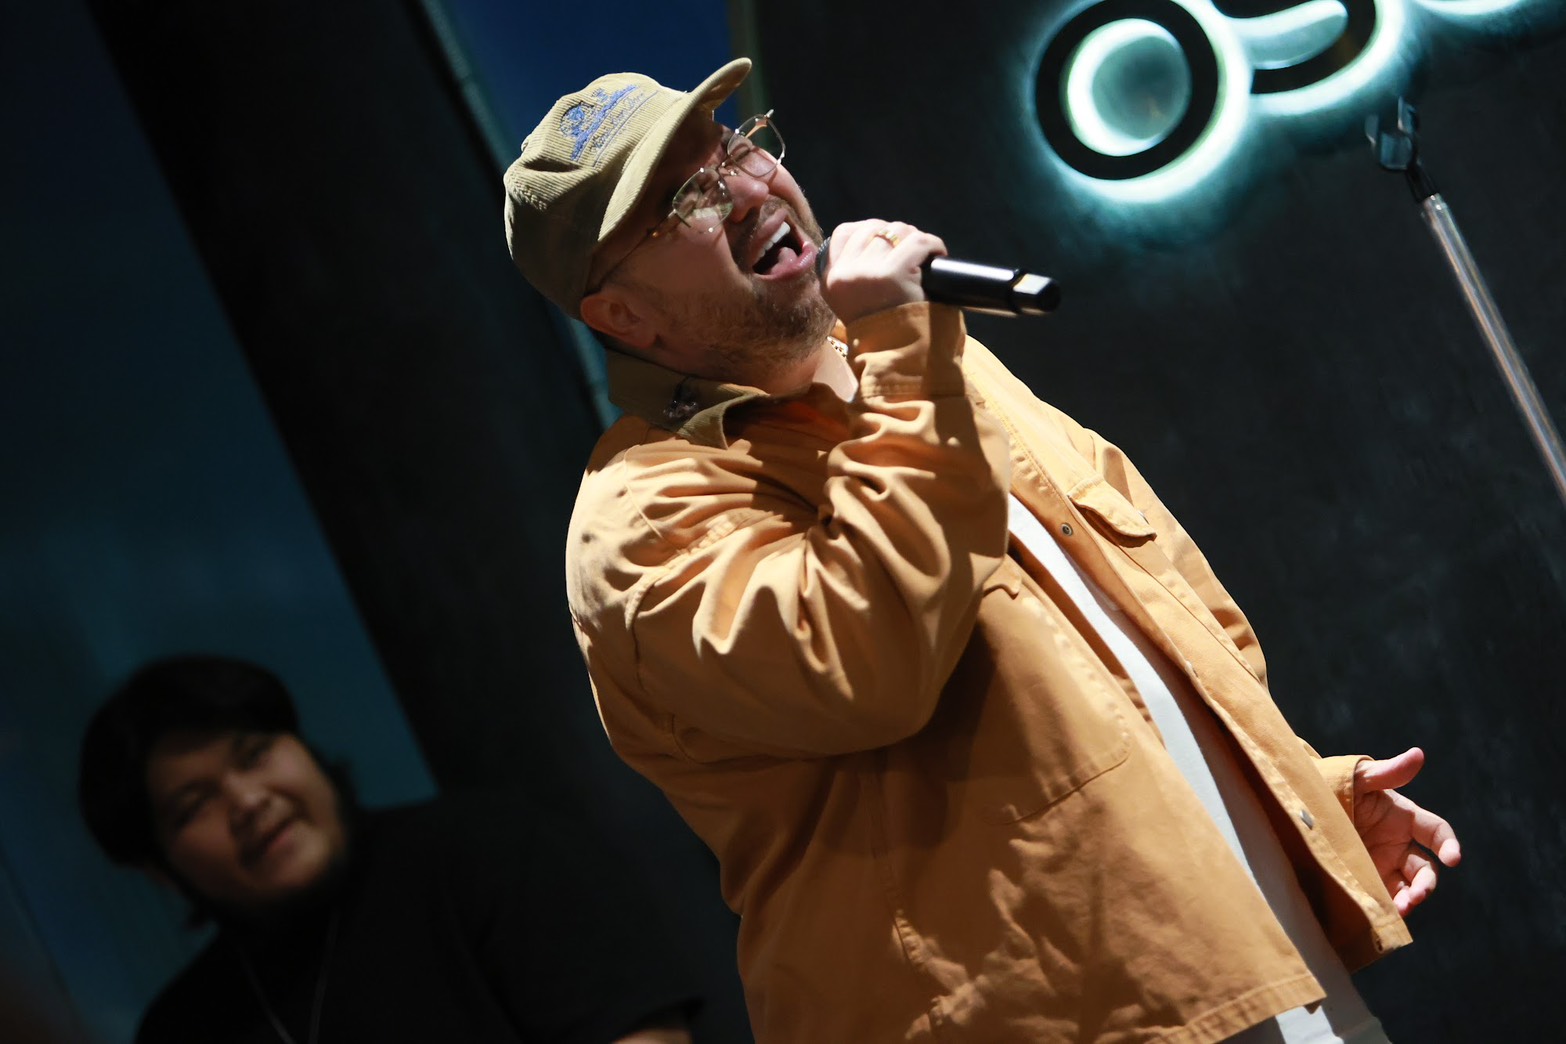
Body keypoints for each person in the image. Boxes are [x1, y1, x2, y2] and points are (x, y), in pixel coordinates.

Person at [500, 57, 1462, 1043]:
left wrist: (1294, 794)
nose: (749, 188)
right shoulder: (645, 517)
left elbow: (1141, 637)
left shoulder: (912, 365)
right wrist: (903, 350)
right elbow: (867, 661)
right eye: (688, 199)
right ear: (622, 316)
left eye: (737, 146)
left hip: (1254, 963)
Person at [78, 655, 698, 1044]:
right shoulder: (183, 1028)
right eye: (194, 805)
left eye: (255, 754)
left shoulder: (481, 851)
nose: (247, 801)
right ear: (157, 869)